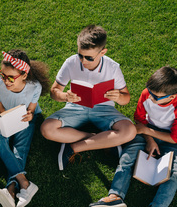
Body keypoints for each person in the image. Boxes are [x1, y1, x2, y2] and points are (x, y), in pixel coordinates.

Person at [89, 66, 177, 207]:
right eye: (150, 92)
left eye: (156, 97)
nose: (150, 97)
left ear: (172, 96)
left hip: (167, 140)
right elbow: (140, 119)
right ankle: (115, 196)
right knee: (128, 158)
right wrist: (149, 139)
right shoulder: (147, 94)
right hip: (145, 132)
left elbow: (174, 138)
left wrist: (149, 133)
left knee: (175, 171)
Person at [40, 24, 136, 171]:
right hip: (75, 107)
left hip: (104, 109)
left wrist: (118, 97)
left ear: (102, 52)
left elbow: (126, 98)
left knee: (130, 130)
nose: (83, 61)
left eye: (89, 57)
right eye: (80, 55)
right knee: (47, 129)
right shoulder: (71, 62)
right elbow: (54, 91)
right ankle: (100, 139)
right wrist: (65, 96)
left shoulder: (113, 67)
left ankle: (74, 146)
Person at [0, 50, 49, 207]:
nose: (5, 81)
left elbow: (31, 110)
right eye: (3, 75)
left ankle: (10, 191)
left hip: (25, 119)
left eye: (10, 78)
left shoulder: (34, 86)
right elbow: (0, 109)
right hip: (7, 118)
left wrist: (29, 116)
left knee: (20, 149)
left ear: (24, 75)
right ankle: (25, 183)